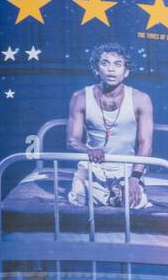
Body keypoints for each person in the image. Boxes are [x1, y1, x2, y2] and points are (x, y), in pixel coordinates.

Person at [66, 44, 154, 210]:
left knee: (133, 203)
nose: (111, 69)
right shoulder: (80, 97)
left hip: (127, 166)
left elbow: (146, 144)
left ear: (126, 71)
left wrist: (134, 178)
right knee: (80, 199)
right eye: (105, 63)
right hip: (92, 165)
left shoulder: (141, 99)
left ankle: (120, 193)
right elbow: (72, 140)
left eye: (118, 64)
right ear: (96, 69)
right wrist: (88, 151)